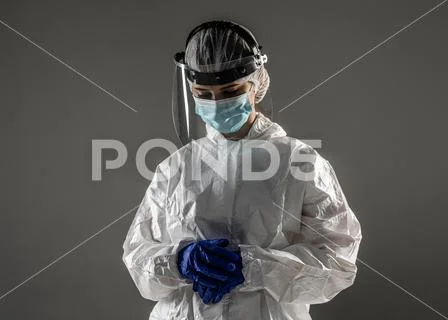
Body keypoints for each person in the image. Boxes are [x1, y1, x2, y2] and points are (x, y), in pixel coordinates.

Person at [122, 20, 362, 320]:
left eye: (230, 90)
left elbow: (338, 261)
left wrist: (251, 266)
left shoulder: (300, 162)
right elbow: (137, 253)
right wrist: (180, 261)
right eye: (203, 93)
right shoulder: (175, 167)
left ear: (256, 84)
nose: (217, 102)